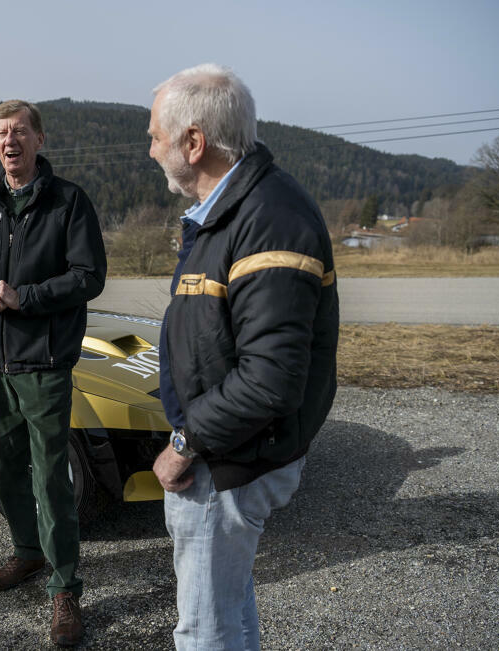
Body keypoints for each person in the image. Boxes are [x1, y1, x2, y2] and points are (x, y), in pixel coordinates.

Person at [148, 64, 339, 650]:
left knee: (204, 629)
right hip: (226, 450)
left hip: (225, 461)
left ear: (194, 141)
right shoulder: (231, 212)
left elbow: (270, 380)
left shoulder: (268, 219)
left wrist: (185, 444)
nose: (150, 147)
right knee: (228, 608)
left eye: (155, 134)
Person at [0, 99, 106, 647]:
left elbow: (89, 276)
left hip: (43, 360)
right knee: (6, 467)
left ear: (40, 140)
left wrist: (25, 297)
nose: (8, 141)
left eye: (18, 132)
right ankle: (28, 553)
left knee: (49, 474)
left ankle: (64, 588)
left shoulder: (68, 202)